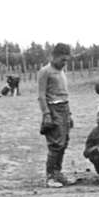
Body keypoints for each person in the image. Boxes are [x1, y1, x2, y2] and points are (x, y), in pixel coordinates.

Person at [38, 43, 74, 188]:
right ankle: (50, 176)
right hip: (53, 109)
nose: (64, 63)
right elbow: (41, 95)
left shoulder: (62, 72)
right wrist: (46, 114)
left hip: (64, 108)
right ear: (54, 56)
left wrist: (69, 114)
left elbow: (64, 95)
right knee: (56, 144)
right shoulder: (45, 71)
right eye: (62, 60)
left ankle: (58, 173)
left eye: (66, 60)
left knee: (64, 142)